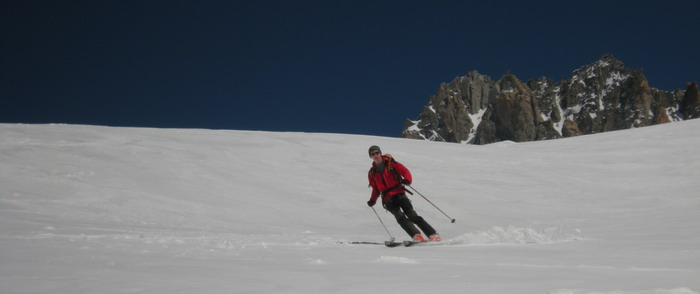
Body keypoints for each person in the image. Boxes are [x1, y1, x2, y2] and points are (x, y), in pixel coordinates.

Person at [366, 145, 441, 242]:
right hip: (387, 199)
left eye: (377, 152)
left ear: (380, 153)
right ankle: (416, 236)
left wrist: (407, 180)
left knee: (412, 215)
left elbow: (405, 171)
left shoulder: (391, 163)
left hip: (399, 194)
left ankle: (433, 234)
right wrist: (372, 200)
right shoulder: (372, 172)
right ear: (370, 156)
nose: (375, 155)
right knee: (400, 218)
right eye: (373, 154)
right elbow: (375, 189)